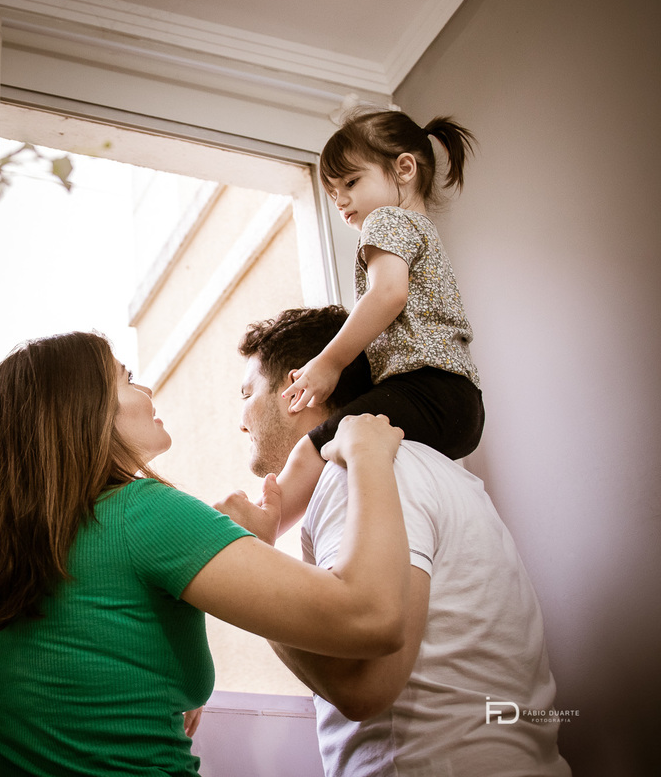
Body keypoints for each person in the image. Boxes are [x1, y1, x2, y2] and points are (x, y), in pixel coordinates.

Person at [0, 330, 409, 776]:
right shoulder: (142, 513)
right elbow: (371, 618)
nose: (146, 389)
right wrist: (367, 454)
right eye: (126, 379)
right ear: (80, 408)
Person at [223, 306, 570, 777]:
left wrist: (249, 561)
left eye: (247, 393)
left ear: (295, 390)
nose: (241, 420)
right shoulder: (424, 469)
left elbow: (364, 684)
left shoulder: (358, 473)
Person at [273, 108, 486, 538]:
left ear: (405, 168)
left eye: (351, 182)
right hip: (463, 405)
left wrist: (329, 362)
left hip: (426, 389)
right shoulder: (422, 230)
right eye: (332, 192)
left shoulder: (386, 220)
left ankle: (264, 525)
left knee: (313, 448)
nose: (340, 201)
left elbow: (388, 294)